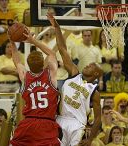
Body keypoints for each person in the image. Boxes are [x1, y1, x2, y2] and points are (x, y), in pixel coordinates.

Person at [47, 14, 103, 146]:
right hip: (61, 119)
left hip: (78, 125)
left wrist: (90, 139)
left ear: (95, 73)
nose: (87, 65)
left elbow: (98, 118)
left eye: (90, 66)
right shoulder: (74, 73)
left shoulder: (94, 92)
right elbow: (62, 49)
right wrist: (57, 27)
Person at [9, 28, 60, 145]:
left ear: (28, 64)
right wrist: (33, 41)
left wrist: (12, 42)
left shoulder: (25, 76)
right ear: (43, 63)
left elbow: (16, 59)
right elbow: (51, 53)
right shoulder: (50, 74)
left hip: (28, 123)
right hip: (46, 124)